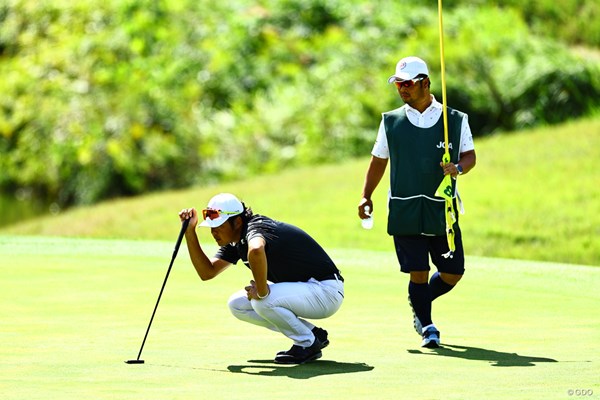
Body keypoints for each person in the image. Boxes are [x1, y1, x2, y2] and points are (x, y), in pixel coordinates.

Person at [358, 56, 476, 348]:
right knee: (419, 272)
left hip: (441, 210)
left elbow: (470, 156)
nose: (402, 89)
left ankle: (417, 300)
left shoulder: (455, 119)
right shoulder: (391, 121)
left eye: (408, 83)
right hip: (405, 208)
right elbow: (378, 161)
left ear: (426, 83)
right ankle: (428, 327)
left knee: (452, 273)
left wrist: (457, 168)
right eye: (398, 84)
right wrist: (366, 195)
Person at [179, 193, 344, 364]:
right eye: (211, 227)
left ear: (237, 222)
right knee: (237, 305)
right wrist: (190, 232)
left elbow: (256, 250)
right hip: (308, 291)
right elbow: (207, 272)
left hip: (326, 291)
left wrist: (262, 291)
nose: (214, 232)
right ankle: (313, 334)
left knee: (262, 301)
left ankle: (307, 344)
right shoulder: (236, 241)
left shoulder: (256, 227)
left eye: (218, 226)